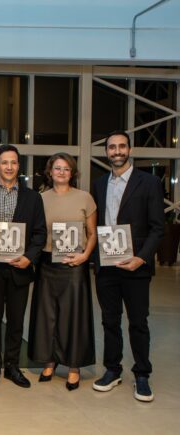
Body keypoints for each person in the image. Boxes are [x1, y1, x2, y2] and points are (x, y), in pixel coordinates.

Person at [90, 130, 164, 402]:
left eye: (121, 146)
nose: (117, 151)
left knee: (138, 322)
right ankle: (112, 370)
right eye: (112, 147)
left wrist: (141, 258)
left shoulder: (149, 182)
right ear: (106, 152)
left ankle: (142, 374)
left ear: (129, 150)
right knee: (109, 320)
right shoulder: (99, 184)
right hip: (107, 266)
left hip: (136, 266)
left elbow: (158, 228)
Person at [0, 144, 46, 388]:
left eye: (14, 162)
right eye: (4, 162)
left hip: (20, 267)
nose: (9, 167)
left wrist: (29, 257)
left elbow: (40, 233)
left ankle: (12, 366)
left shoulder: (33, 197)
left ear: (18, 166)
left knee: (16, 321)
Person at [28, 153, 97, 391]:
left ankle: (74, 366)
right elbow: (36, 232)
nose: (61, 172)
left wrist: (85, 256)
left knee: (73, 315)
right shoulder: (40, 199)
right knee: (47, 315)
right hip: (48, 262)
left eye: (66, 169)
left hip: (74, 263)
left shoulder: (85, 198)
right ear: (50, 171)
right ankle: (50, 361)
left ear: (72, 172)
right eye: (57, 168)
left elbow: (92, 233)